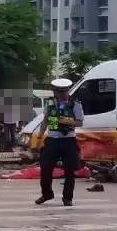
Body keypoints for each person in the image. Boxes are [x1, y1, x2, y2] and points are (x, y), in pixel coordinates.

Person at [35, 78, 84, 206]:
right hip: (52, 139)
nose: (61, 94)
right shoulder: (50, 103)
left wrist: (66, 121)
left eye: (64, 92)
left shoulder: (75, 104)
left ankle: (67, 198)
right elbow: (45, 120)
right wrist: (39, 137)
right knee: (45, 168)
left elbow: (80, 122)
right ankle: (47, 194)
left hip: (68, 140)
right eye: (58, 92)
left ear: (68, 91)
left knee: (69, 171)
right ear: (55, 92)